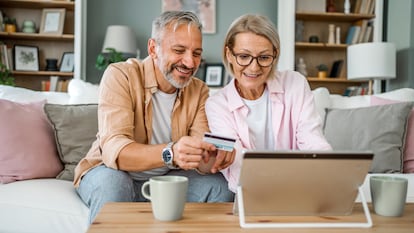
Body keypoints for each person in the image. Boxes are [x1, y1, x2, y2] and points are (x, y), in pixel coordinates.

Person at [73, 11, 235, 223]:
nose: (189, 62)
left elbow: (201, 161)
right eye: (179, 50)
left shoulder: (199, 90)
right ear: (153, 48)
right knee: (115, 185)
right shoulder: (120, 75)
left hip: (166, 178)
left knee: (220, 187)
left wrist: (214, 157)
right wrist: (171, 153)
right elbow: (116, 151)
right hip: (110, 171)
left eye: (196, 53)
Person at [205, 14, 332, 193]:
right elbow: (235, 163)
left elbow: (312, 140)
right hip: (251, 191)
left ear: (275, 55)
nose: (254, 67)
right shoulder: (217, 104)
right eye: (244, 56)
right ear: (229, 55)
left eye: (264, 58)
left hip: (299, 187)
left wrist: (331, 171)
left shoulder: (295, 83)